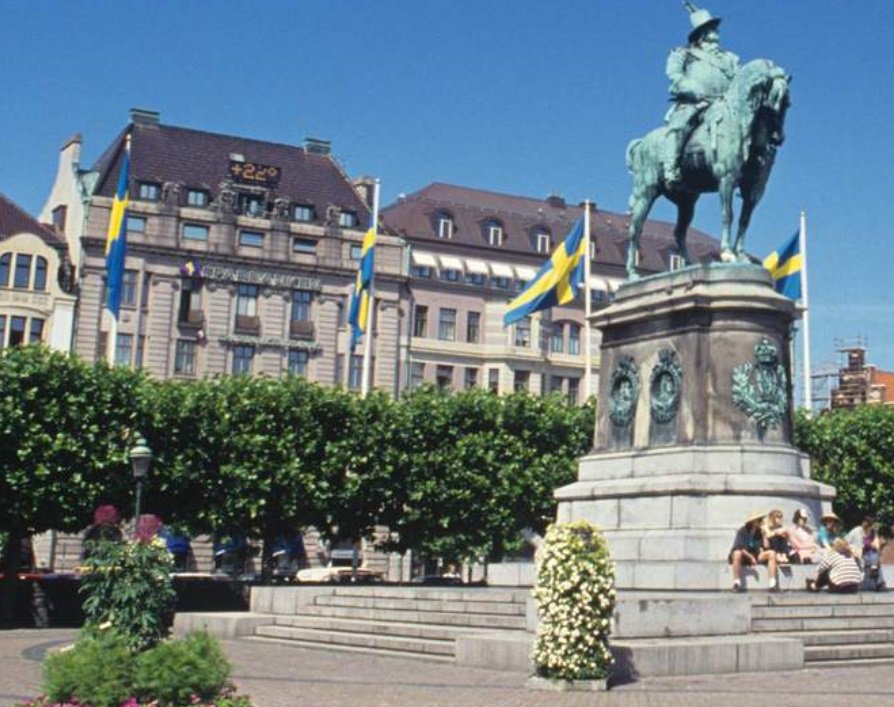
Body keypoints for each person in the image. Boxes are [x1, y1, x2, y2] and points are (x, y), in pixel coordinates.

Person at [661, 2, 740, 186]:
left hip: (723, 105)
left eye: (715, 28)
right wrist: (689, 87)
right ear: (701, 33)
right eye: (710, 28)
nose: (715, 32)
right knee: (678, 128)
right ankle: (670, 168)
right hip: (694, 103)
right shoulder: (684, 54)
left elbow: (739, 78)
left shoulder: (730, 58)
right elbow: (674, 74)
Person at [729, 511, 779, 592]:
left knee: (772, 553)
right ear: (753, 521)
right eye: (759, 520)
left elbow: (767, 547)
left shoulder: (760, 532)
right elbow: (739, 547)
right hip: (744, 554)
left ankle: (772, 584)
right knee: (736, 553)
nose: (761, 522)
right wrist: (750, 557)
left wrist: (764, 535)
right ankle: (736, 583)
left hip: (756, 554)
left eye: (761, 520)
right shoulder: (742, 531)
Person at [847, 515, 886, 591]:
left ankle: (876, 574)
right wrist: (854, 549)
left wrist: (877, 540)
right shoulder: (856, 531)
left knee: (874, 555)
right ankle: (879, 582)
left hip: (870, 554)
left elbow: (877, 547)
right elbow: (847, 542)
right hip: (860, 554)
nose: (870, 528)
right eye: (869, 525)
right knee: (873, 557)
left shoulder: (873, 533)